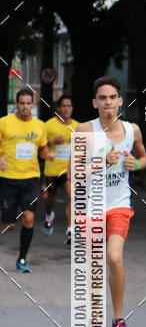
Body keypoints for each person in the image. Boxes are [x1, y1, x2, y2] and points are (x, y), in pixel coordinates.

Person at [74, 77, 146, 327]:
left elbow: (143, 157)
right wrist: (101, 162)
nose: (108, 102)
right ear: (95, 102)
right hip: (90, 207)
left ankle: (118, 319)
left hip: (119, 205)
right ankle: (95, 322)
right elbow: (74, 171)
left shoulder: (132, 131)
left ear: (120, 101)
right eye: (102, 98)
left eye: (112, 97)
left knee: (114, 258)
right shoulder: (84, 130)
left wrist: (135, 164)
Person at [0, 89, 49, 272]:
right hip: (7, 179)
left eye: (28, 103)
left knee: (28, 218)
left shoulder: (40, 126)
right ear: (16, 104)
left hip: (31, 178)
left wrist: (48, 154)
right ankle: (8, 218)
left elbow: (42, 149)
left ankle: (21, 258)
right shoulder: (4, 123)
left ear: (33, 104)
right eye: (22, 103)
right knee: (9, 224)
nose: (25, 106)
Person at [42, 95, 79, 244]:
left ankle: (70, 230)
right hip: (53, 169)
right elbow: (40, 145)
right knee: (51, 198)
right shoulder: (48, 125)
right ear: (58, 109)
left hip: (70, 170)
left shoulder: (79, 126)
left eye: (69, 106)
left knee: (72, 196)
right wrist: (52, 142)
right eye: (63, 106)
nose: (66, 109)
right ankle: (49, 215)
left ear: (72, 108)